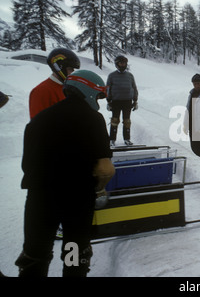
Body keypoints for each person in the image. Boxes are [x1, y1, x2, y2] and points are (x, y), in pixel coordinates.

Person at [16, 70, 115, 277]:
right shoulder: (94, 119)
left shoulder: (39, 120)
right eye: (98, 95)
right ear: (89, 90)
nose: (98, 100)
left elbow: (28, 165)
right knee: (74, 251)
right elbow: (105, 169)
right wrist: (98, 189)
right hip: (77, 199)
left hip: (39, 198)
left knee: (36, 253)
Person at [29, 48, 80, 119]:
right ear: (59, 67)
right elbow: (37, 126)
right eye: (70, 69)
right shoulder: (41, 91)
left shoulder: (68, 89)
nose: (72, 73)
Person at [106, 55, 139, 146]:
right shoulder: (112, 75)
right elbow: (108, 88)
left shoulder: (130, 75)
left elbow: (134, 88)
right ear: (117, 64)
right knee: (114, 120)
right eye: (121, 63)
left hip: (127, 102)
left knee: (127, 121)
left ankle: (127, 139)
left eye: (124, 63)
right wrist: (108, 101)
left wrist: (135, 100)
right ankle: (112, 139)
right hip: (116, 102)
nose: (123, 64)